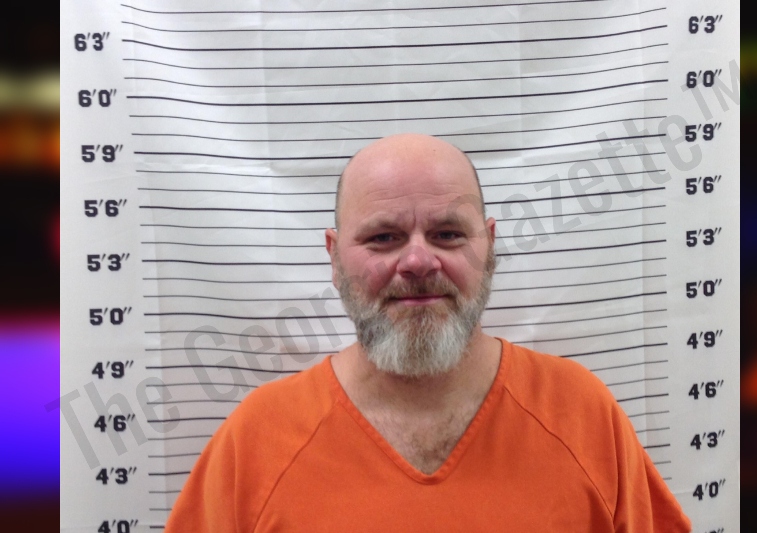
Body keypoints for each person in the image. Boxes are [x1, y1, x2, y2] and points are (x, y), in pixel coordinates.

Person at [165, 134, 691, 532]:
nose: (418, 261)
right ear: (334, 257)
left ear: (488, 247)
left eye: (447, 233)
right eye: (383, 237)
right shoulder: (256, 441)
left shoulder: (582, 415)